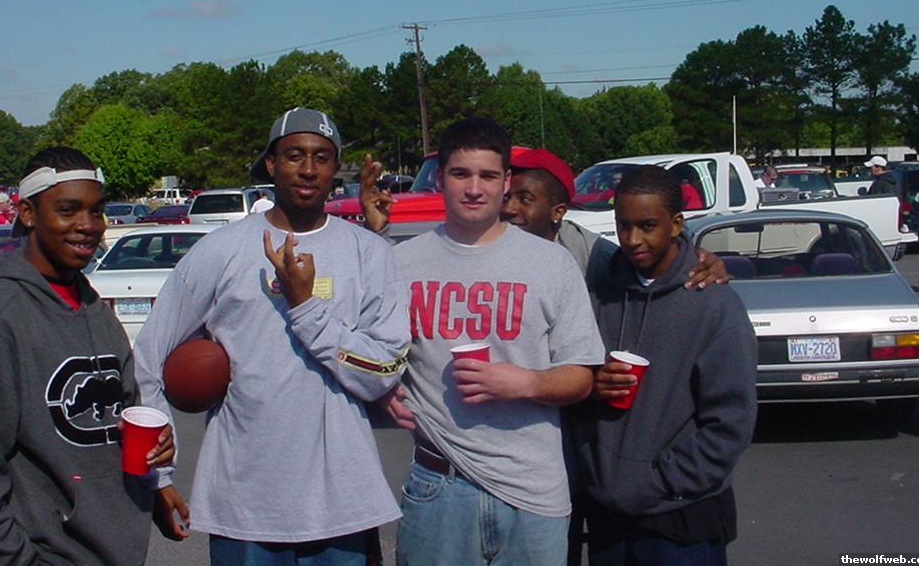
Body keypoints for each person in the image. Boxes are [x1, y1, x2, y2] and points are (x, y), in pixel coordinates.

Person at [133, 107, 410, 566]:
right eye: (294, 155)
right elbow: (148, 357)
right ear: (270, 163)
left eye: (321, 157)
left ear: (335, 167)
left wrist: (307, 309)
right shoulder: (220, 250)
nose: (308, 169)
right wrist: (158, 475)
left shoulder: (369, 253)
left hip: (343, 503)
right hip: (244, 503)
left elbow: (385, 369)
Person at [0, 146, 175, 566]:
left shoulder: (95, 310)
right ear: (27, 213)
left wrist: (155, 457)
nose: (88, 225)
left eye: (97, 211)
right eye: (68, 210)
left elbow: (119, 417)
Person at [379, 116, 604, 566]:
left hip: (532, 492)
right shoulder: (399, 264)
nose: (474, 188)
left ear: (505, 183)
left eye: (487, 175)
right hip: (437, 484)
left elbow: (582, 377)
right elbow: (371, 354)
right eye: (460, 174)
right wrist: (382, 388)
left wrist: (525, 383)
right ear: (439, 179)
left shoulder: (552, 263)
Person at [572, 165, 757, 566]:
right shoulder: (597, 294)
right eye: (623, 226)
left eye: (647, 225)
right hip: (607, 517)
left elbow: (731, 423)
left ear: (676, 224)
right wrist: (590, 385)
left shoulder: (713, 303)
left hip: (682, 520)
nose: (633, 239)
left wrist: (658, 482)